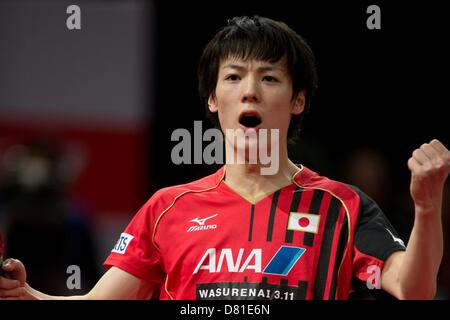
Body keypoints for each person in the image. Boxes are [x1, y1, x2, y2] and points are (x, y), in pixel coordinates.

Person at [1, 15, 449, 300]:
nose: (250, 90)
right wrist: (27, 295)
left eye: (270, 78)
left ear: (298, 101)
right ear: (213, 99)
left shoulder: (341, 207)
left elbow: (413, 289)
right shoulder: (167, 208)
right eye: (233, 77)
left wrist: (427, 208)